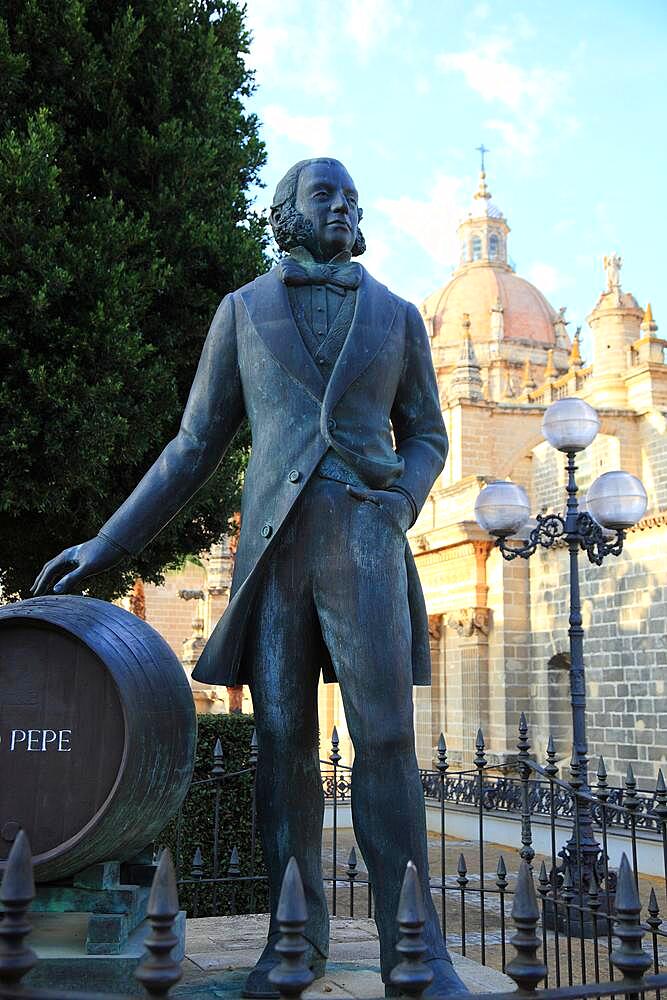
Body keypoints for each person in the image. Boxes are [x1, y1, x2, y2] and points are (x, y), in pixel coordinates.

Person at [33, 158, 467, 999]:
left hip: (366, 541)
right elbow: (192, 446)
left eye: (351, 196)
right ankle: (289, 946)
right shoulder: (243, 312)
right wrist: (110, 544)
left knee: (384, 741)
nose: (343, 207)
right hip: (271, 555)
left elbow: (427, 435)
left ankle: (418, 950)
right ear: (286, 217)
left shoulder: (398, 316)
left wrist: (399, 502)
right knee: (281, 747)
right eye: (323, 196)